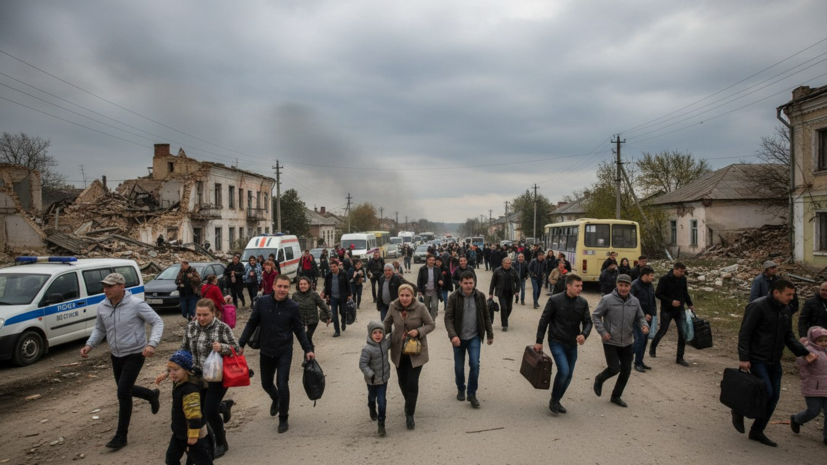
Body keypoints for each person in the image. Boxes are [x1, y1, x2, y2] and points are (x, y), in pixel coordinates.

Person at [81, 273, 163, 450]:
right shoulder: (102, 306)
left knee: (123, 392)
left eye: (110, 286)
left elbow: (157, 322)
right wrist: (90, 345)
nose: (106, 290)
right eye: (104, 286)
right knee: (124, 388)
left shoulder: (136, 304)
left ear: (121, 286)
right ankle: (151, 395)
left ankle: (121, 436)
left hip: (135, 353)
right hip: (116, 354)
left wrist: (152, 344)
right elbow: (99, 329)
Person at [733, 279, 814, 447]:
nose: (792, 298)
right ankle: (738, 408)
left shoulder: (785, 310)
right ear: (776, 292)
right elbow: (745, 333)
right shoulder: (758, 306)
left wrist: (804, 352)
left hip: (774, 361)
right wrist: (744, 357)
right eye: (788, 294)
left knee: (774, 397)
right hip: (757, 358)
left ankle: (757, 431)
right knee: (767, 393)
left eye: (793, 294)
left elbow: (788, 335)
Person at [157, 299, 239, 458]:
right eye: (198, 314)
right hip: (196, 376)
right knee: (199, 411)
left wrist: (222, 347)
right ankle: (220, 411)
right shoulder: (191, 327)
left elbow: (236, 349)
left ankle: (221, 442)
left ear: (213, 313)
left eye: (205, 315)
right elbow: (182, 350)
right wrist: (168, 371)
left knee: (209, 411)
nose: (201, 318)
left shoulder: (222, 328)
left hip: (217, 377)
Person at [238, 274, 315, 434]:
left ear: (288, 288)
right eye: (279, 286)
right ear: (273, 286)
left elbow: (299, 330)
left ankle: (283, 417)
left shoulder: (293, 307)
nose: (282, 290)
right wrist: (241, 343)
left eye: (285, 287)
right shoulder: (262, 302)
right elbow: (252, 323)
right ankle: (275, 398)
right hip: (266, 350)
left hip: (284, 351)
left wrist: (307, 349)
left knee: (282, 384)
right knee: (266, 383)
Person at [534, 273, 592, 414]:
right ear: (568, 286)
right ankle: (554, 400)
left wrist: (584, 334)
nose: (580, 289)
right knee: (564, 371)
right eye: (577, 286)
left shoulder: (582, 303)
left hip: (572, 343)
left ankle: (557, 399)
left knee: (569, 374)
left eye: (581, 286)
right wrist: (539, 341)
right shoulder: (555, 300)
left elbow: (588, 322)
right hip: (556, 341)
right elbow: (544, 320)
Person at [591, 274, 649, 408]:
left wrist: (644, 325)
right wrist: (603, 332)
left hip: (627, 341)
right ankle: (600, 379)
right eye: (621, 285)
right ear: (617, 285)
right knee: (614, 368)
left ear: (630, 286)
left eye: (626, 285)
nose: (623, 288)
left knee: (626, 370)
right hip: (610, 340)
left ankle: (616, 396)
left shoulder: (634, 301)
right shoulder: (607, 300)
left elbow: (640, 316)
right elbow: (596, 316)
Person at [383, 284, 435, 430]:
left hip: (416, 351)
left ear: (412, 295)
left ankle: (410, 414)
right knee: (402, 381)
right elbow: (387, 323)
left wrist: (418, 331)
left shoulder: (421, 307)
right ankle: (409, 402)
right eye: (402, 295)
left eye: (407, 295)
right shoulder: (393, 306)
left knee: (412, 382)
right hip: (399, 351)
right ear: (399, 296)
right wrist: (378, 334)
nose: (405, 298)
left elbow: (431, 324)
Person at [445, 271, 494, 409]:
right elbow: (448, 318)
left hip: (474, 337)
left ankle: (472, 393)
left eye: (471, 283)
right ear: (460, 283)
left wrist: (489, 334)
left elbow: (486, 315)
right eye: (465, 283)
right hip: (458, 338)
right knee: (459, 367)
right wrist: (453, 335)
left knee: (475, 364)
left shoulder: (480, 296)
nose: (468, 286)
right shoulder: (454, 297)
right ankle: (461, 388)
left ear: (474, 283)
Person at [160, 350, 213, 465]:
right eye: (170, 370)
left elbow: (194, 416)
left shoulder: (189, 391)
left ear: (187, 371)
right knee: (171, 459)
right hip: (179, 432)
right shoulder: (179, 382)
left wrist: (193, 436)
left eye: (176, 370)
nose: (172, 373)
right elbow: (173, 369)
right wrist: (165, 374)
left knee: (203, 461)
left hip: (191, 434)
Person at [650, 262, 694, 366]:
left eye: (683, 271)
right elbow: (658, 294)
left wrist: (690, 304)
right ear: (675, 269)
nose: (682, 273)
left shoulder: (683, 279)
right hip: (667, 310)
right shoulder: (664, 279)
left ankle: (680, 358)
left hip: (680, 310)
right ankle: (653, 347)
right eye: (680, 271)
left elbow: (685, 293)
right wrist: (671, 301)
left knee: (683, 333)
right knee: (663, 331)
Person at [790, 326, 827, 445]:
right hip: (813, 386)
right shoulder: (809, 349)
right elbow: (798, 363)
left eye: (825, 340)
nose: (823, 343)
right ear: (813, 340)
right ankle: (796, 419)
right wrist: (807, 359)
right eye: (820, 340)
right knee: (813, 411)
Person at [359, 321, 392, 437]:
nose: (378, 335)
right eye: (374, 333)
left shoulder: (385, 344)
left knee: (382, 401)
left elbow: (393, 338)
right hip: (372, 380)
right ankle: (371, 406)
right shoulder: (367, 349)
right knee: (372, 396)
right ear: (370, 334)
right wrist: (370, 374)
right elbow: (362, 364)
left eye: (380, 332)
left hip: (383, 379)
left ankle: (381, 424)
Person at [293, 276, 331, 351]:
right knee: (304, 339)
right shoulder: (295, 296)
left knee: (307, 337)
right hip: (300, 320)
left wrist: (329, 314)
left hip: (313, 320)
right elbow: (291, 308)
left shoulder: (314, 294)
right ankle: (310, 353)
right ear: (298, 285)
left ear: (309, 285)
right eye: (301, 284)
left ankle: (307, 357)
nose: (303, 286)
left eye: (305, 284)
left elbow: (322, 304)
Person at [631, 266, 656, 373]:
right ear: (644, 276)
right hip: (637, 318)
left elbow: (653, 301)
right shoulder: (634, 285)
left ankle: (640, 361)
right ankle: (635, 362)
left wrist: (652, 314)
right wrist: (643, 315)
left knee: (645, 341)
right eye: (651, 275)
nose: (653, 277)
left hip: (648, 318)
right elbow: (631, 303)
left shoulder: (650, 286)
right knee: (640, 340)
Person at [321, 261, 352, 337]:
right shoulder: (328, 275)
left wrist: (349, 295)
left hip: (342, 297)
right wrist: (326, 294)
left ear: (338, 266)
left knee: (343, 312)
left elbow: (348, 284)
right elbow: (327, 286)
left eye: (334, 266)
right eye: (331, 267)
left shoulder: (343, 274)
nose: (332, 268)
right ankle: (337, 331)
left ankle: (343, 321)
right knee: (334, 315)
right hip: (333, 298)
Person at [489, 256, 520, 331]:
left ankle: (504, 318)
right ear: (502, 263)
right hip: (501, 292)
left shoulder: (513, 271)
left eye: (509, 263)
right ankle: (504, 324)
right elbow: (493, 282)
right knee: (504, 307)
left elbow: (518, 281)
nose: (507, 265)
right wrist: (491, 293)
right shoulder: (497, 271)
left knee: (509, 308)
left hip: (510, 292)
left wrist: (517, 290)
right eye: (506, 263)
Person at [417, 255, 443, 322]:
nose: (431, 261)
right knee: (426, 307)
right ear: (427, 260)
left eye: (433, 260)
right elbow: (419, 280)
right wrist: (419, 290)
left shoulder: (437, 269)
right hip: (425, 292)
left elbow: (441, 278)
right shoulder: (422, 269)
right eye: (430, 260)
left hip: (434, 291)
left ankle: (432, 321)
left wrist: (441, 281)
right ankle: (427, 321)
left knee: (434, 306)